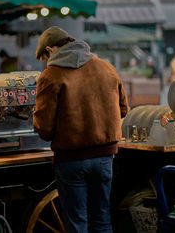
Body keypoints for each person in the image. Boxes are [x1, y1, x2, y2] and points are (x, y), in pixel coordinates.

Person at [33, 26, 129, 233]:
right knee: (102, 220)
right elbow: (123, 110)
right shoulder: (107, 68)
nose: (45, 64)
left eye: (44, 58)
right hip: (105, 158)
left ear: (50, 50)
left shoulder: (51, 75)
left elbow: (45, 129)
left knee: (77, 224)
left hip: (71, 160)